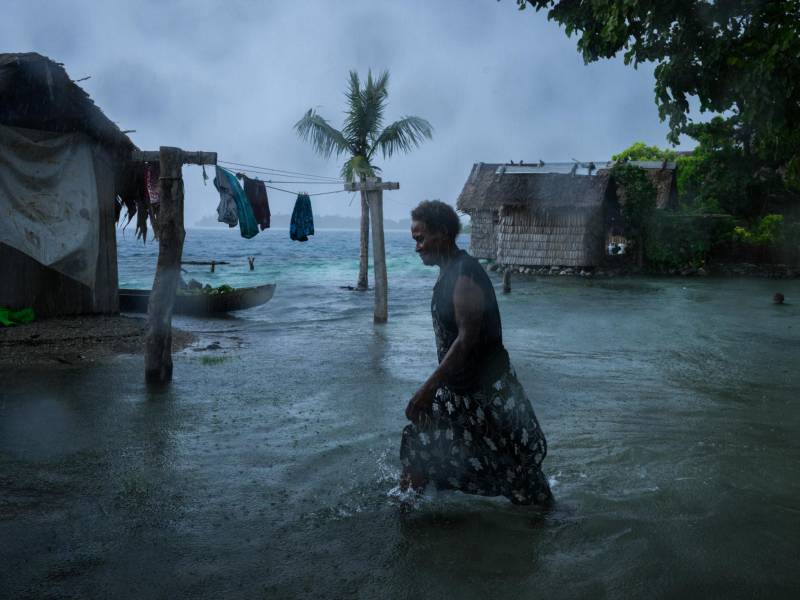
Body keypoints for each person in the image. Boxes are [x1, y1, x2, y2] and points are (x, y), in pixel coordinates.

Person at [400, 200, 553, 506]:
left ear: (442, 234)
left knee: (517, 472)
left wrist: (426, 390)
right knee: (419, 442)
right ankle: (409, 510)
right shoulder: (449, 271)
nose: (417, 247)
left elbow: (467, 339)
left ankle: (549, 521)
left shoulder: (465, 275)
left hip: (489, 395)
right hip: (458, 394)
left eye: (420, 238)